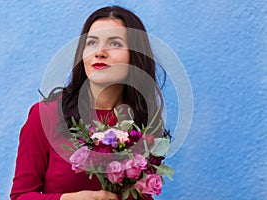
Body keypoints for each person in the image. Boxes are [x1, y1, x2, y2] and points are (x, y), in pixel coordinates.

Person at [10, 5, 169, 200]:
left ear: (134, 58)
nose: (100, 52)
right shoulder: (46, 115)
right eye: (92, 42)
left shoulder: (142, 124)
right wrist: (68, 199)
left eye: (115, 44)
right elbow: (20, 196)